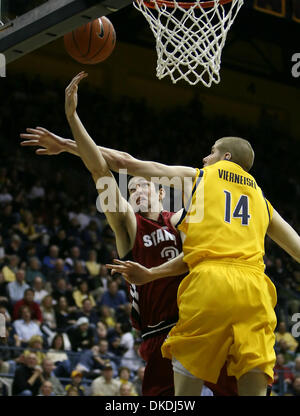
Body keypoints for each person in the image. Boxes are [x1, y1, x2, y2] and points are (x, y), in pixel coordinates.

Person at [20, 72, 238, 396]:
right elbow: (100, 170)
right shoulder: (129, 225)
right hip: (159, 334)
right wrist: (71, 118)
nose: (137, 191)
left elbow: (211, 232)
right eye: (132, 189)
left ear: (162, 193)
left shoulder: (181, 219)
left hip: (199, 327)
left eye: (143, 186)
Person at [105, 136, 300, 396]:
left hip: (211, 280)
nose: (205, 158)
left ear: (226, 157)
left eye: (211, 152)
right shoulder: (262, 201)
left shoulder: (199, 177)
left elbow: (123, 162)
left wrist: (68, 144)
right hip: (256, 291)